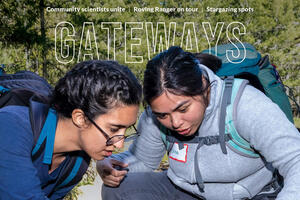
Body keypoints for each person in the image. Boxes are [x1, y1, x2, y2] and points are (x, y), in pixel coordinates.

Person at [97, 46, 300, 200]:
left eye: (183, 109)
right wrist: (109, 164)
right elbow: (143, 160)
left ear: (204, 87)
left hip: (251, 194)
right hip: (190, 192)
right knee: (120, 189)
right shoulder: (155, 115)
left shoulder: (245, 105)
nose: (175, 122)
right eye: (162, 115)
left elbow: (296, 161)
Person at [0, 60, 142, 199]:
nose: (119, 144)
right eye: (113, 129)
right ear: (80, 118)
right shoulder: (11, 126)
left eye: (127, 129)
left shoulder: (76, 165)